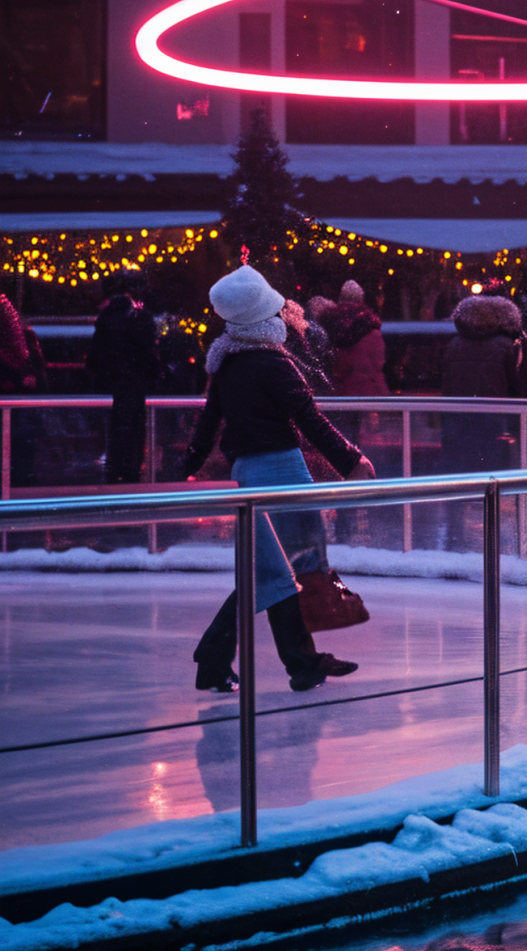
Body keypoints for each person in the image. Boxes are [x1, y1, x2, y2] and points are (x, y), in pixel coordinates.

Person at [180, 265, 375, 695]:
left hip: (247, 473)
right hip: (282, 472)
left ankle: (280, 661)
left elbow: (209, 422)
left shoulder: (228, 365)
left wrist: (185, 468)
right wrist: (350, 459)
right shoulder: (273, 364)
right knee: (279, 573)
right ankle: (272, 660)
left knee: (273, 573)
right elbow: (310, 418)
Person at [89, 284, 160, 485]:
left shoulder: (105, 321)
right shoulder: (140, 319)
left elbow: (94, 358)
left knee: (114, 433)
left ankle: (114, 473)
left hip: (110, 388)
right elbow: (148, 354)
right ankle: (131, 473)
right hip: (134, 387)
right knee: (133, 434)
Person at [441, 287, 527, 401]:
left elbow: (447, 390)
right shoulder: (511, 345)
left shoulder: (455, 345)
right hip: (501, 415)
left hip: (460, 416)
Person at [325, 279, 389, 396]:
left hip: (339, 393)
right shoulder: (371, 330)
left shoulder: (329, 326)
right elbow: (378, 364)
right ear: (362, 299)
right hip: (368, 391)